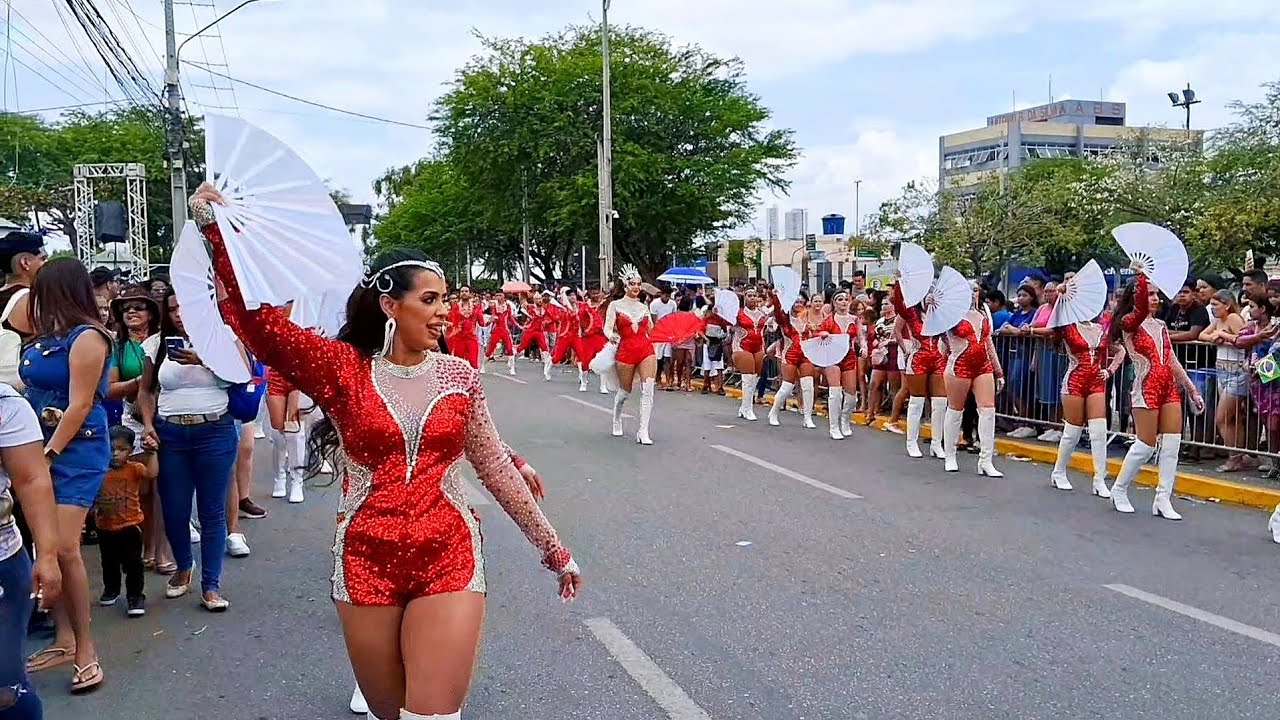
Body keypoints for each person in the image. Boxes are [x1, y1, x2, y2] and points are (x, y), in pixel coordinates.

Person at [190, 184, 579, 720]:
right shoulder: (342, 370)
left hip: (449, 553)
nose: (445, 312)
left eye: (446, 299)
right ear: (390, 305)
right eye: (430, 299)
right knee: (389, 713)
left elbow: (489, 462)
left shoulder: (460, 376)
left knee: (432, 716)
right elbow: (259, 325)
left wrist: (553, 549)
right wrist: (219, 232)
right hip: (364, 559)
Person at [20, 258, 111, 693]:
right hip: (36, 448)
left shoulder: (89, 337)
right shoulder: (43, 339)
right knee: (45, 546)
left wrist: (50, 453)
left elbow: (79, 404)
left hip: (74, 450)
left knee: (66, 547)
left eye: (41, 291)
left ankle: (86, 649)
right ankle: (63, 638)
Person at [137, 288, 243, 611]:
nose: (179, 314)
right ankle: (184, 566)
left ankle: (211, 585)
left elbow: (242, 375)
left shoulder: (223, 336)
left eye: (185, 306)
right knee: (174, 509)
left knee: (212, 511)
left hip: (214, 430)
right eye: (172, 309)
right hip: (171, 433)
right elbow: (145, 390)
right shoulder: (156, 345)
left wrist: (203, 359)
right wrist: (149, 424)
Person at [1107, 272, 1204, 519]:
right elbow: (1138, 314)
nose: (1156, 298)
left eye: (1156, 294)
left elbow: (1170, 359)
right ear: (1137, 296)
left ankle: (1163, 498)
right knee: (1145, 445)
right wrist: (1141, 275)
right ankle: (1119, 489)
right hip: (1145, 386)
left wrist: (1191, 388)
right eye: (1149, 293)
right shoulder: (1129, 322)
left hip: (1169, 388)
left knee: (1172, 444)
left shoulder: (1160, 325)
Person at [1027, 277, 1123, 495]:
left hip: (1096, 382)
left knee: (1099, 431)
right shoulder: (1068, 327)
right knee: (1072, 430)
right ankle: (1059, 471)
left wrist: (1109, 371)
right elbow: (1053, 322)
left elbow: (1120, 351)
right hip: (1075, 381)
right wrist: (1061, 292)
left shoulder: (1101, 329)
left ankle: (1100, 478)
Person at [0, 382, 62, 717]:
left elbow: (32, 480)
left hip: (3, 563)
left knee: (4, 686)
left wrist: (48, 555)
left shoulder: (6, 404)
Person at [940, 282, 1005, 476]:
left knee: (988, 410)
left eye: (975, 290)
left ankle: (986, 461)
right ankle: (950, 454)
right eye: (967, 291)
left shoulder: (982, 315)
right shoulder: (949, 317)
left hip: (983, 366)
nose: (972, 294)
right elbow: (939, 338)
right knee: (955, 410)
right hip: (959, 365)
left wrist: (998, 371)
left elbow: (988, 344)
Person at [95, 425, 156, 617]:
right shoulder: (98, 470)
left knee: (133, 564)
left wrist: (152, 453)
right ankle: (111, 589)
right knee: (109, 561)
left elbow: (152, 473)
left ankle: (135, 596)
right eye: (111, 449)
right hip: (104, 526)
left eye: (122, 450)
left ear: (131, 450)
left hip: (130, 525)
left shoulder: (134, 469)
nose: (115, 454)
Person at [891, 279, 947, 460]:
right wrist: (901, 281)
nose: (930, 296)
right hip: (918, 358)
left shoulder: (939, 315)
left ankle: (937, 443)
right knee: (917, 401)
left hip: (938, 358)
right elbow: (898, 303)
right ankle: (911, 441)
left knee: (940, 403)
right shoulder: (911, 313)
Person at [605, 265, 658, 444]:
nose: (636, 287)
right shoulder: (615, 305)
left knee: (648, 389)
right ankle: (617, 417)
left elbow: (651, 330)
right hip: (626, 351)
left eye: (638, 284)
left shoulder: (644, 307)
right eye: (632, 284)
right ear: (626, 286)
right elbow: (607, 327)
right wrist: (611, 335)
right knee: (625, 392)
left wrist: (667, 335)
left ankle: (643, 430)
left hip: (645, 350)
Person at [1200, 291, 1249, 472]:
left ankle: (1234, 457)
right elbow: (1203, 335)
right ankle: (1237, 455)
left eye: (1216, 305)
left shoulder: (1234, 318)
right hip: (1222, 369)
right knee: (1232, 418)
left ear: (1227, 305)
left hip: (1236, 371)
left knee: (1222, 418)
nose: (1212, 309)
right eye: (1211, 305)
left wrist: (1223, 337)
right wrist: (1217, 336)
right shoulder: (1218, 320)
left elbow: (1244, 340)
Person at [767, 291, 817, 428]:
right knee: (787, 387)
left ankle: (807, 417)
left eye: (801, 302)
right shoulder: (785, 319)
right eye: (796, 302)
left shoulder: (807, 319)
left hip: (806, 355)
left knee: (808, 386)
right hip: (790, 355)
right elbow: (777, 312)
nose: (798, 304)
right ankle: (774, 412)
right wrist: (776, 297)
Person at [816, 288, 861, 441]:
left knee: (851, 396)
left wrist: (865, 348)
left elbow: (860, 338)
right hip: (833, 357)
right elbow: (818, 335)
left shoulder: (854, 319)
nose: (843, 302)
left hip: (849, 357)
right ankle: (833, 427)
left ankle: (845, 421)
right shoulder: (828, 320)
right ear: (834, 303)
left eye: (845, 299)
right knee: (835, 393)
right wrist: (822, 335)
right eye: (839, 299)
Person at [730, 289, 769, 422]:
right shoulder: (737, 313)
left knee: (755, 378)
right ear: (745, 298)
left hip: (758, 346)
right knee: (748, 377)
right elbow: (727, 324)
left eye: (754, 295)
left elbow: (772, 326)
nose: (752, 298)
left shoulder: (762, 313)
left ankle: (744, 406)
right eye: (749, 295)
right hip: (742, 345)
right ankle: (748, 408)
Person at [447, 286, 484, 371]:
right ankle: (460, 383)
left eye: (466, 291)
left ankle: (473, 383)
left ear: (470, 294)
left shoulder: (475, 307)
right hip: (459, 338)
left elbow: (482, 323)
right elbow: (453, 323)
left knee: (473, 363)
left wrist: (490, 319)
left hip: (471, 338)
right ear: (460, 294)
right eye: (462, 291)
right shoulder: (455, 307)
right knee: (459, 363)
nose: (464, 293)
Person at [649, 288, 677, 388]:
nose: (667, 298)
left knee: (668, 357)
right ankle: (657, 377)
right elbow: (654, 320)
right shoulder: (654, 304)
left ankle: (668, 378)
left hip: (669, 333)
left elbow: (674, 318)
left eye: (668, 296)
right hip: (659, 333)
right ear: (661, 294)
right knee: (659, 358)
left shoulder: (673, 304)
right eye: (665, 295)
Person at [484, 294, 518, 375]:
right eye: (497, 295)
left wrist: (518, 325)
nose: (498, 297)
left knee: (510, 349)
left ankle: (512, 368)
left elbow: (511, 317)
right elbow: (485, 314)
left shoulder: (508, 305)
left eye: (500, 295)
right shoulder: (493, 305)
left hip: (505, 330)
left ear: (503, 297)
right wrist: (489, 320)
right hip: (496, 330)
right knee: (490, 350)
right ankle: (483, 366)